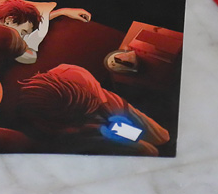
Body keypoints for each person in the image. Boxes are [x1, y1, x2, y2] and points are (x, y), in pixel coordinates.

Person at [14, 63, 171, 155]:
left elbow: (104, 110)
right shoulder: (41, 120)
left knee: (162, 136)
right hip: (94, 135)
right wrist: (95, 130)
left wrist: (114, 122)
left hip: (116, 111)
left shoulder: (71, 72)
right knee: (149, 151)